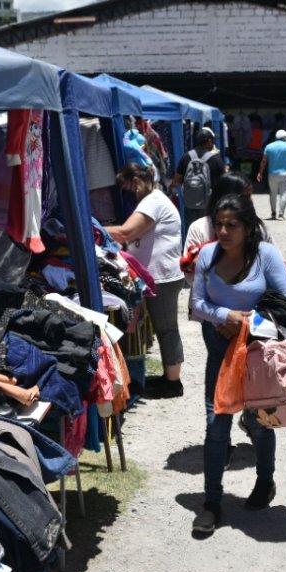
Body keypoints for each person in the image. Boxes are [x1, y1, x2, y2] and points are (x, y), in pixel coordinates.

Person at [189, 193, 286, 536]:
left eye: (231, 225)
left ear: (249, 228)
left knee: (259, 422)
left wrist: (247, 323)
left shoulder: (266, 257)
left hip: (258, 357)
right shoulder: (207, 255)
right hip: (220, 357)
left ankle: (265, 481)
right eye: (218, 223)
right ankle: (211, 503)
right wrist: (223, 316)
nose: (222, 230)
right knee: (216, 425)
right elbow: (196, 304)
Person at [106, 163, 186, 399]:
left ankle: (173, 383)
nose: (130, 190)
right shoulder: (153, 200)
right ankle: (168, 379)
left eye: (130, 185)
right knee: (164, 329)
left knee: (167, 329)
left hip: (162, 277)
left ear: (139, 180)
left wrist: (92, 227)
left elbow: (126, 233)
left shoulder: (153, 201)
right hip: (159, 277)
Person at [173, 127, 227, 226]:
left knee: (191, 231)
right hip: (209, 204)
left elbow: (177, 180)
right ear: (209, 141)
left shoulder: (186, 157)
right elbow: (224, 183)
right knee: (208, 232)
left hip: (190, 205)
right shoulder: (215, 159)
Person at [256, 129, 286, 220]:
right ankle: (281, 214)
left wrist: (260, 173)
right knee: (283, 194)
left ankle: (273, 213)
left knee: (273, 194)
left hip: (272, 174)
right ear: (283, 138)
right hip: (285, 174)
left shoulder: (268, 147)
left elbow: (264, 161)